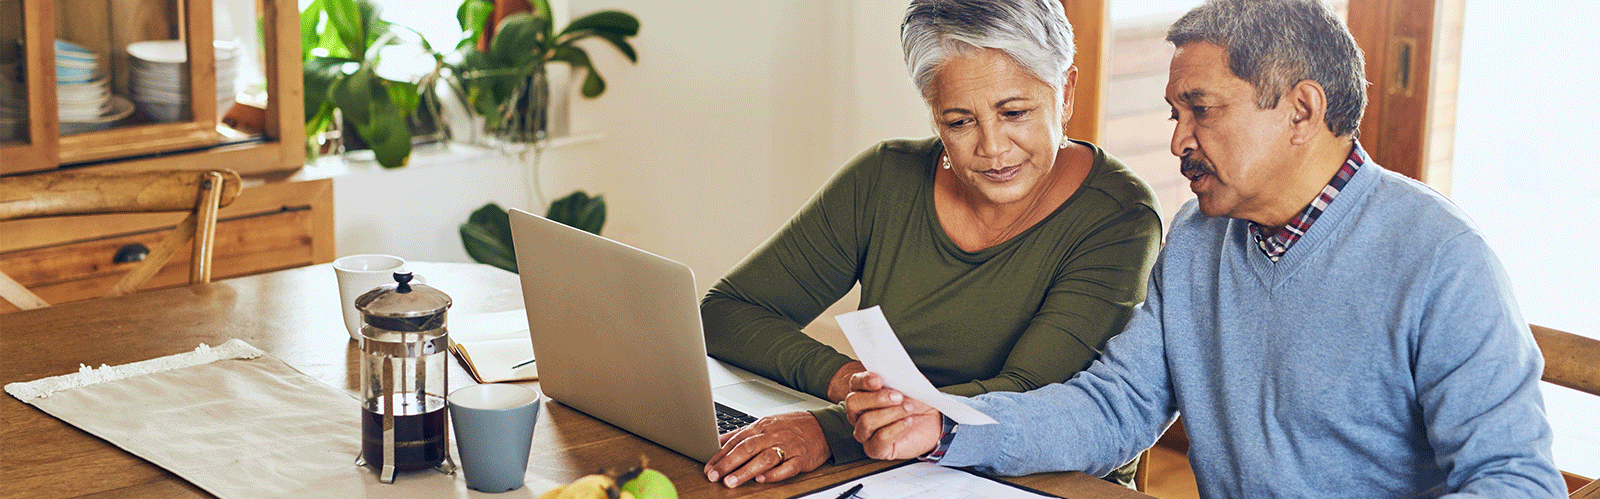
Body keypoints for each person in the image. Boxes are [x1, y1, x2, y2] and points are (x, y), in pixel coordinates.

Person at [844, 0, 1568, 497]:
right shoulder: (1198, 237)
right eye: (1174, 112)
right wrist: (944, 425)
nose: (1177, 140)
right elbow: (1115, 406)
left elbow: (1515, 480)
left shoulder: (1442, 260)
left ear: (1302, 110)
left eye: (1202, 110)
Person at [698, 0, 1163, 489]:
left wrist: (833, 430)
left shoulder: (1119, 217)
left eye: (1015, 112)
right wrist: (848, 383)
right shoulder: (885, 179)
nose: (992, 147)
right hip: (889, 468)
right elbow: (729, 311)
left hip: (1041, 482)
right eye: (959, 121)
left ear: (1065, 92)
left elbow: (1032, 397)